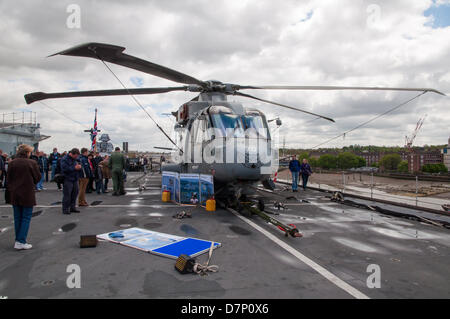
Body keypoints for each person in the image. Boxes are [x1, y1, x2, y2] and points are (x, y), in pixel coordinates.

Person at [6, 144, 41, 250]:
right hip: (27, 193)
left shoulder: (12, 163)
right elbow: (37, 177)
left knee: (17, 218)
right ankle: (21, 241)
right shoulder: (31, 163)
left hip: (15, 193)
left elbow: (8, 178)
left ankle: (18, 240)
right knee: (26, 217)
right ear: (27, 152)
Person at [61, 148, 82, 214]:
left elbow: (78, 163)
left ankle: (72, 207)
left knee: (74, 194)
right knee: (67, 194)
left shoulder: (75, 159)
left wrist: (79, 167)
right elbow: (64, 169)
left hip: (75, 178)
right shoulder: (65, 159)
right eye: (76, 156)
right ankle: (65, 209)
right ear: (72, 154)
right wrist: (74, 168)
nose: (77, 157)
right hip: (68, 179)